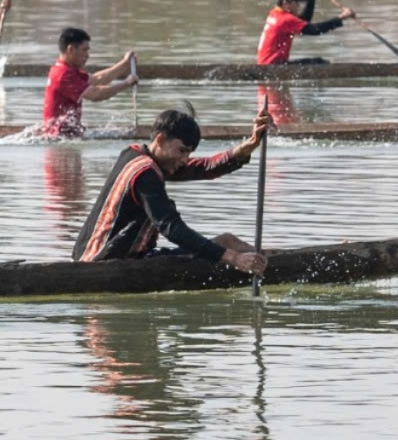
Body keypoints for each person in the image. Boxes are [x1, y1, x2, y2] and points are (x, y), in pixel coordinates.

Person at [71, 108, 269, 275]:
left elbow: (203, 167)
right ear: (160, 139)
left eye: (189, 153)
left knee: (228, 241)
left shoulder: (134, 153)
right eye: (182, 151)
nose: (184, 159)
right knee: (228, 245)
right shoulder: (145, 172)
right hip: (111, 263)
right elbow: (172, 228)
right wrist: (233, 258)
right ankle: (266, 268)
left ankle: (261, 261)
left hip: (99, 257)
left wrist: (249, 145)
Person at [41, 26, 140, 133]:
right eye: (84, 50)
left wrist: (125, 63)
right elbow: (95, 94)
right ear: (70, 49)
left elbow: (98, 79)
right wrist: (126, 83)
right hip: (58, 139)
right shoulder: (63, 74)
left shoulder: (67, 70)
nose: (87, 56)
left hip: (66, 135)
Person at [256, 0, 348, 65]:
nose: (298, 6)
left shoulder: (274, 14)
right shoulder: (285, 19)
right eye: (296, 3)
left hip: (266, 64)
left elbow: (304, 20)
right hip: (273, 67)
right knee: (319, 63)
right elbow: (315, 30)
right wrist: (341, 18)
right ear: (285, 3)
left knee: (317, 62)